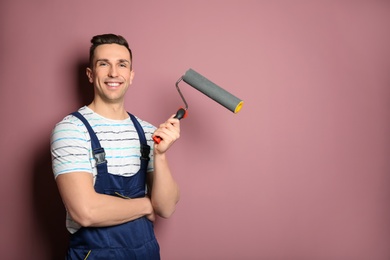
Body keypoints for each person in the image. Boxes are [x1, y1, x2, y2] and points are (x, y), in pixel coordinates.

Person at [50, 33, 180, 259]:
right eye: (103, 64)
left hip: (146, 252)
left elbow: (166, 207)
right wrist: (148, 206)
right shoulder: (70, 130)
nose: (113, 73)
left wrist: (160, 155)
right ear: (91, 74)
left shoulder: (148, 132)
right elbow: (86, 211)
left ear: (130, 76)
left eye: (122, 65)